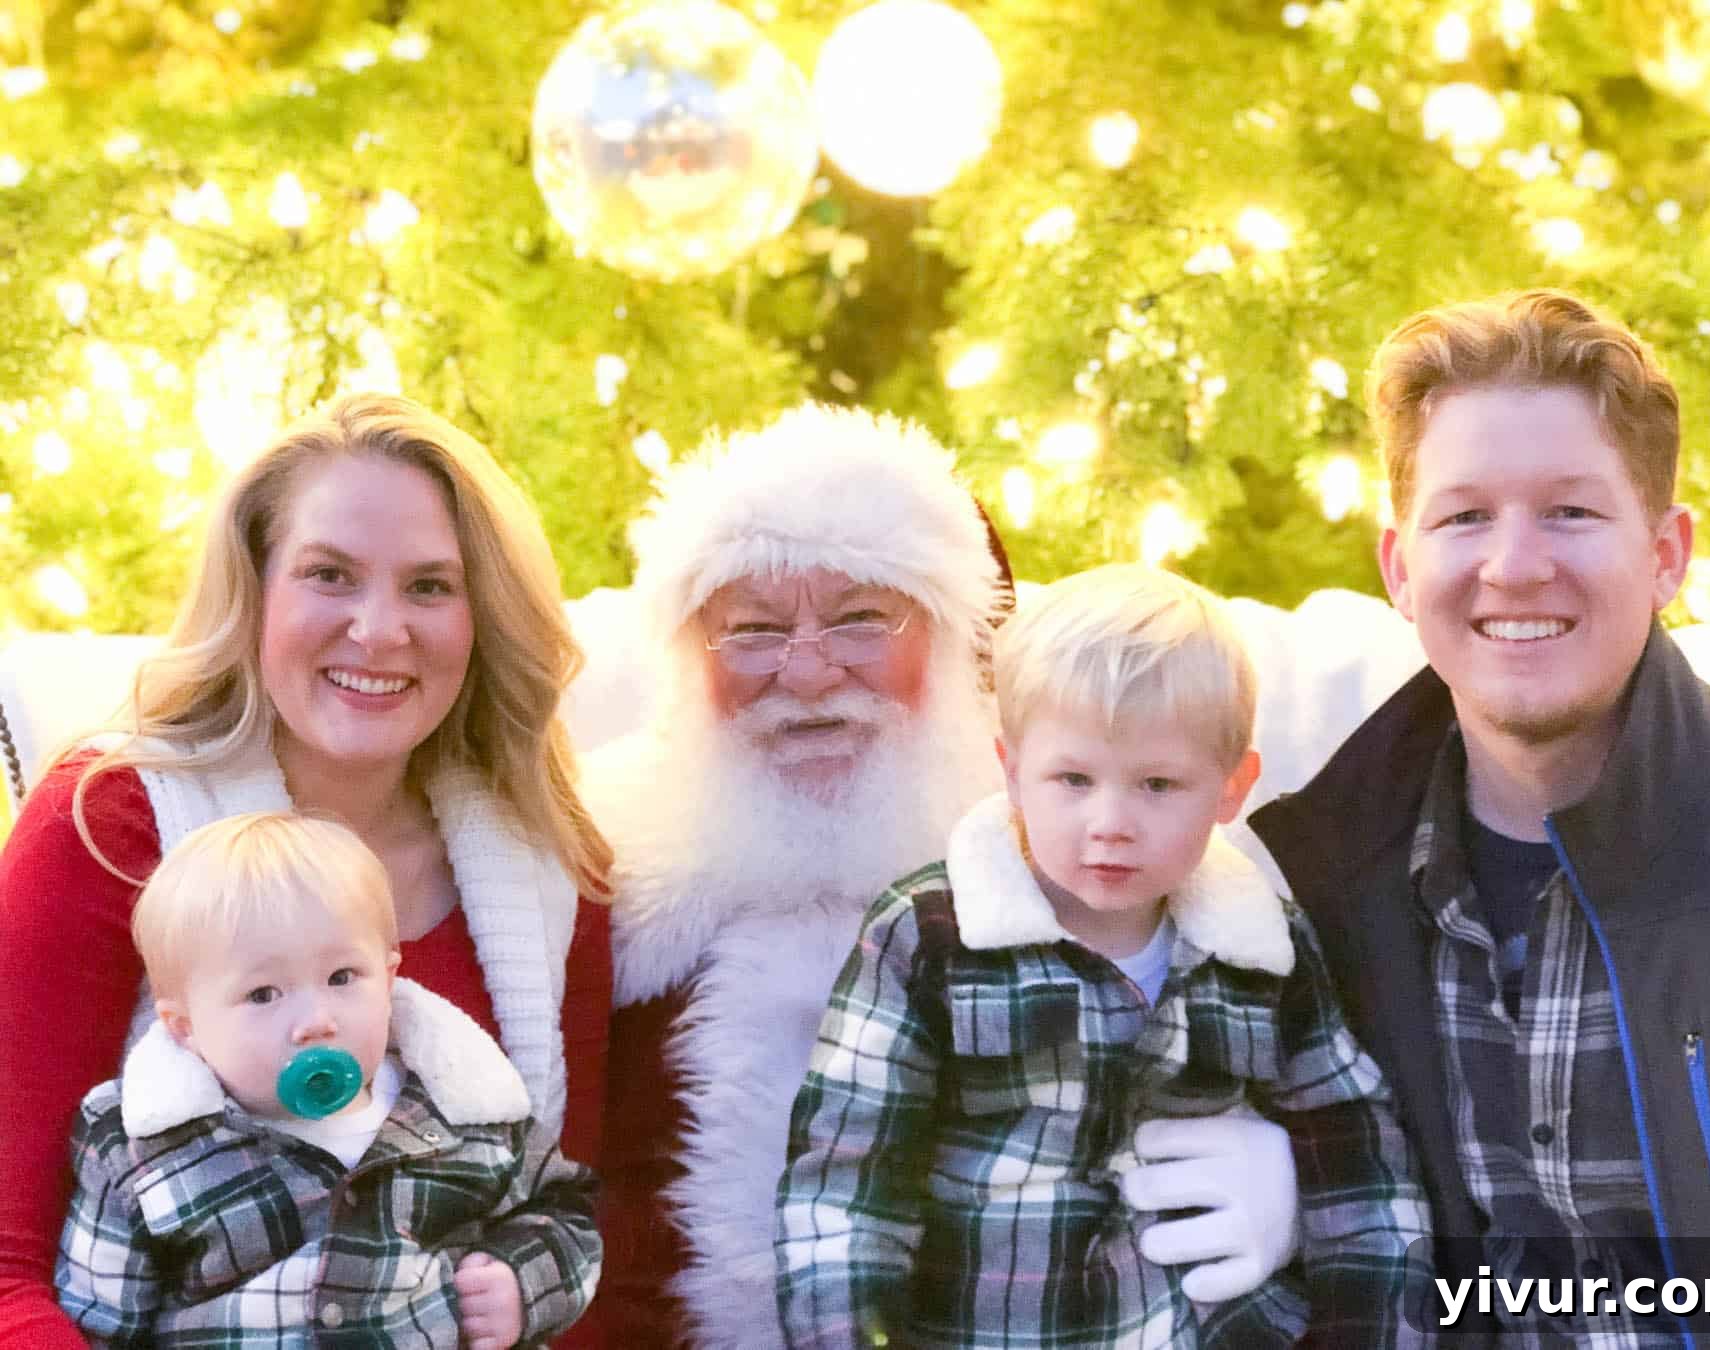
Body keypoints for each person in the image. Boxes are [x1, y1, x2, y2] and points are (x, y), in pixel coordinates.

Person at [586, 403, 1306, 1349]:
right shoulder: (599, 888)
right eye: (753, 630)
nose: (805, 676)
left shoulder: (1102, 857)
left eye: (861, 620)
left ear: (962, 638)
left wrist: (1302, 1180)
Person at [0, 393, 613, 1349]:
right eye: (329, 575)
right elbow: (8, 1273)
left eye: (430, 586)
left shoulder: (549, 869)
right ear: (257, 590)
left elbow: (567, 1223)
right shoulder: (110, 821)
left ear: (483, 617)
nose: (378, 631)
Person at [1249, 290, 1710, 1342]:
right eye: (1464, 517)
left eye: (1572, 511)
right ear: (1401, 571)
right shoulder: (1319, 888)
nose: (1514, 565)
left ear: (1668, 555)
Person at [775, 563, 1428, 1348]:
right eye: (1074, 779)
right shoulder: (928, 937)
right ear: (1013, 770)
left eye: (1157, 785)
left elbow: (1363, 1163)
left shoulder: (1264, 951)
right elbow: (845, 1199)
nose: (1110, 822)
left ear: (1232, 787)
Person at [57, 811, 602, 1349]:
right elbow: (96, 1323)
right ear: (186, 1028)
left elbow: (566, 1212)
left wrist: (520, 1284)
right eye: (263, 994)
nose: (317, 1020)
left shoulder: (463, 1116)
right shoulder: (140, 1154)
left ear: (388, 980)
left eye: (342, 977)